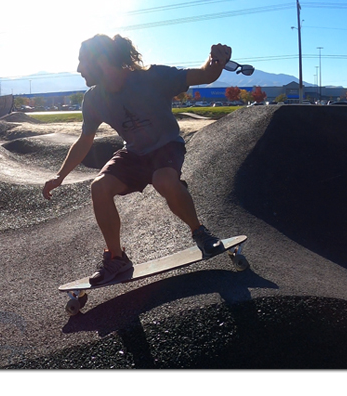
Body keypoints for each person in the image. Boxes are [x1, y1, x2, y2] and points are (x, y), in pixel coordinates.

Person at [43, 34, 230, 286]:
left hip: (166, 146)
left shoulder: (153, 78)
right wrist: (60, 176)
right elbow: (85, 139)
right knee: (99, 187)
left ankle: (201, 233)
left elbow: (204, 75)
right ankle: (117, 258)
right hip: (134, 152)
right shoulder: (94, 98)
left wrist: (215, 60)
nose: (78, 69)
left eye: (82, 62)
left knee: (164, 179)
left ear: (101, 61)